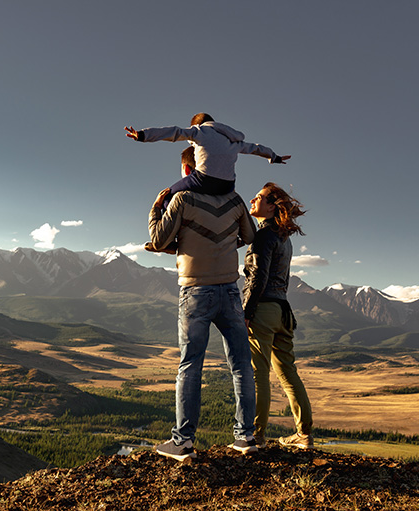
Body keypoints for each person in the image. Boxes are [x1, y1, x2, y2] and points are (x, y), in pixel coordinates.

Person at [148, 183, 258, 460]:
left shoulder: (183, 198)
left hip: (196, 291)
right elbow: (250, 234)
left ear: (188, 170)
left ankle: (183, 441)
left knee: (191, 364)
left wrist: (156, 208)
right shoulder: (234, 199)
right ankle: (245, 437)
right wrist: (219, 244)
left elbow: (159, 240)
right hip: (230, 290)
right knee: (242, 365)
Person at [126, 112, 290, 253]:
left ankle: (170, 241)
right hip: (227, 186)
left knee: (168, 196)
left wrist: (142, 135)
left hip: (203, 179)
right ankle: (237, 239)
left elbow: (173, 132)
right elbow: (255, 148)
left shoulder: (199, 131)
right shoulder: (231, 139)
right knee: (234, 206)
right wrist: (273, 157)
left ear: (197, 124)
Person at [242, 182, 313, 449]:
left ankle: (255, 436)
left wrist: (247, 312)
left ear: (271, 207)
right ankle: (303, 434)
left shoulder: (263, 236)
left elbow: (258, 276)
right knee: (287, 373)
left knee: (257, 372)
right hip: (283, 311)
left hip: (263, 309)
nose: (252, 199)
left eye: (258, 197)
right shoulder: (284, 237)